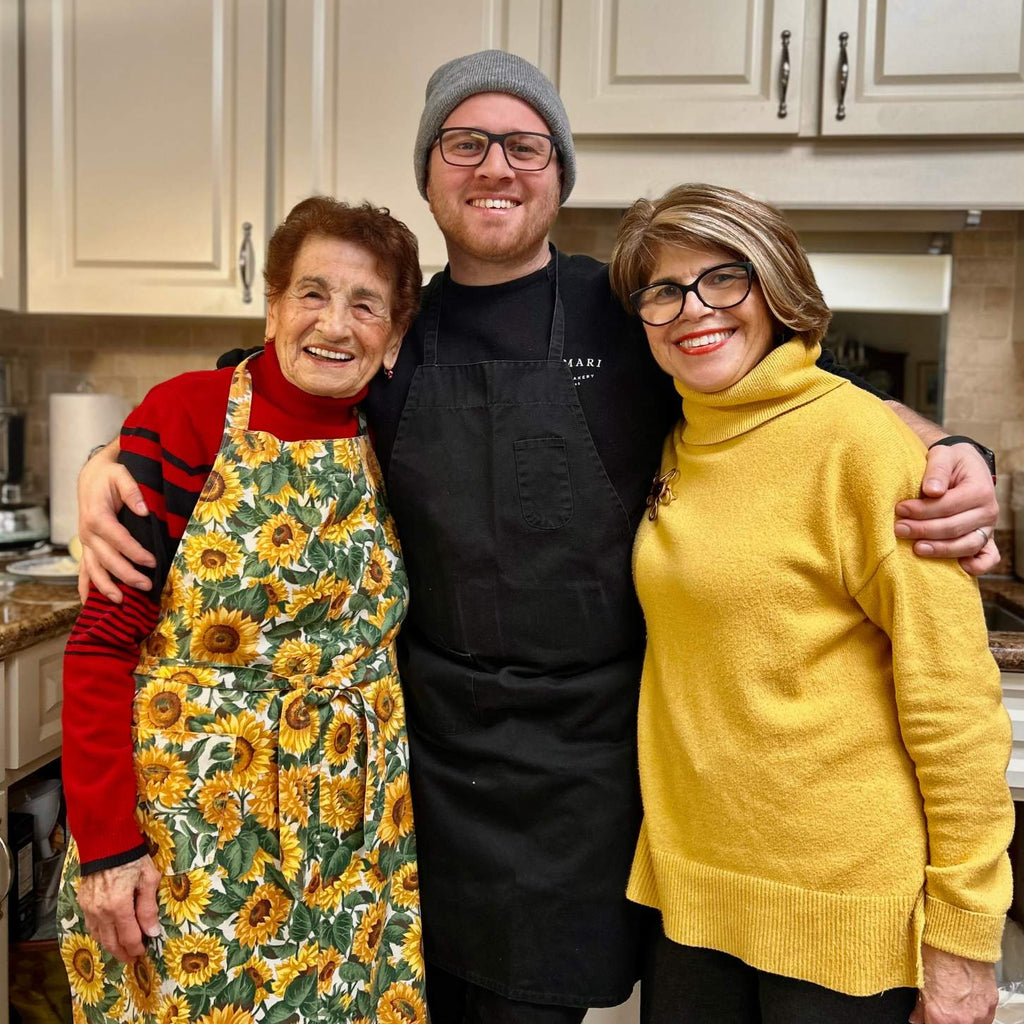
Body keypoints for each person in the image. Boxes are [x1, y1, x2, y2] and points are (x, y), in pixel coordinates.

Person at [75, 52, 1004, 1023]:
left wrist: (959, 452)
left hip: (586, 778)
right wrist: (110, 458)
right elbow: (240, 393)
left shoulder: (632, 306)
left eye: (524, 145)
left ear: (560, 173)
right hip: (417, 773)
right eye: (464, 142)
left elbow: (813, 403)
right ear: (428, 172)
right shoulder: (390, 324)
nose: (494, 167)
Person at [608, 182, 1012, 1024]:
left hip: (842, 914)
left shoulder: (864, 447)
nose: (693, 309)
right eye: (663, 290)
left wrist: (967, 938)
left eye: (725, 278)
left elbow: (954, 704)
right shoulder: (679, 433)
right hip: (692, 902)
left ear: (777, 286)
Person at [57, 197, 427, 1024]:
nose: (335, 324)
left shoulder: (395, 431)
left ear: (395, 338)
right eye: (312, 293)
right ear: (272, 305)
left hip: (349, 840)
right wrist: (110, 849)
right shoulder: (185, 415)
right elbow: (101, 645)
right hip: (190, 831)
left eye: (366, 305)